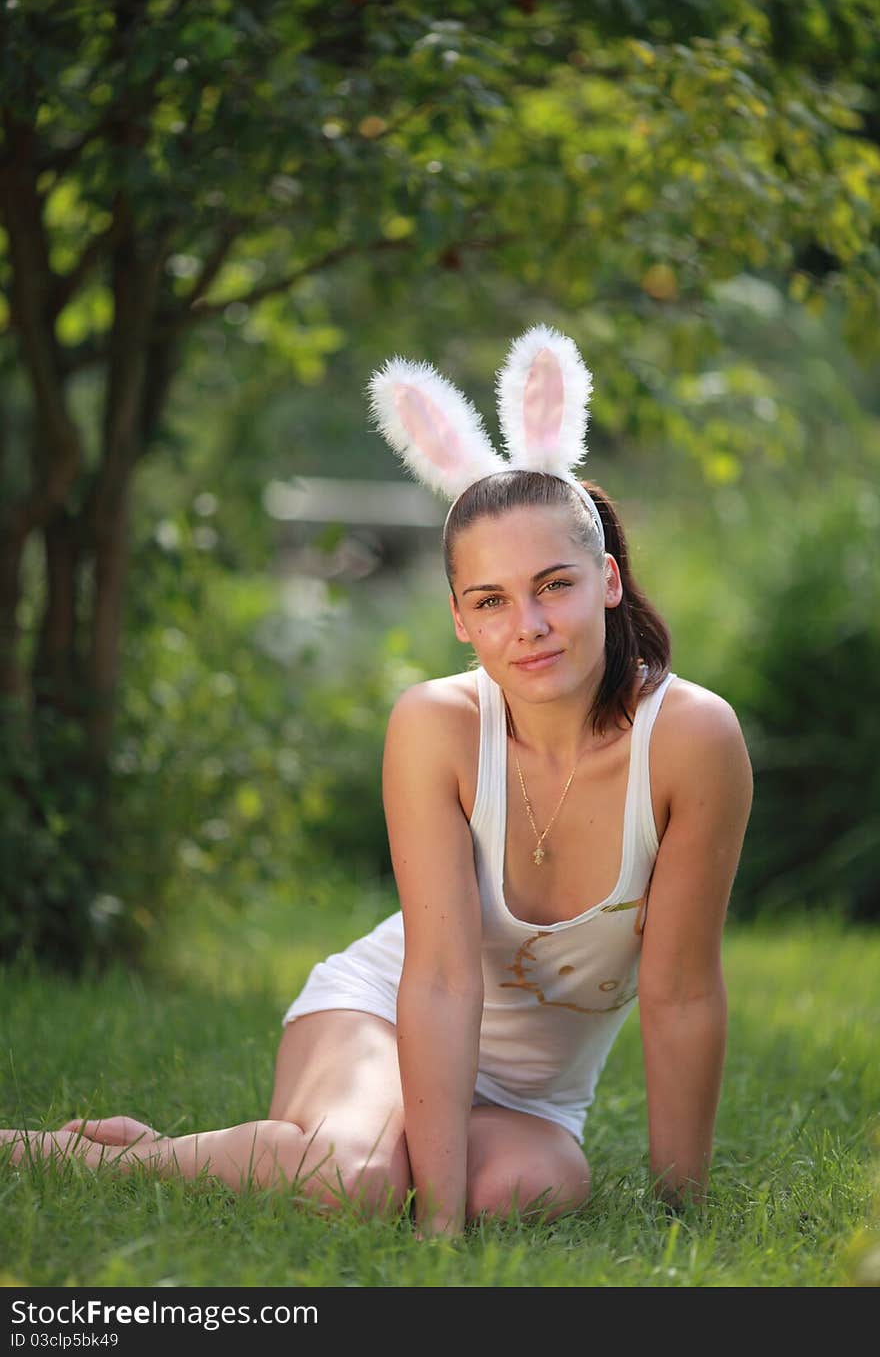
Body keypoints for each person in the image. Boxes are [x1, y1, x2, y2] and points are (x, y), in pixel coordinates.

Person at [2, 326, 753, 1238]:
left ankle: (250, 1151)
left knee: (529, 1190)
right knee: (353, 1180)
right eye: (491, 600)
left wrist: (686, 1214)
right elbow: (439, 981)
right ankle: (70, 1155)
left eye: (554, 585)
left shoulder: (690, 737)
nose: (530, 625)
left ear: (606, 579)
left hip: (527, 1097)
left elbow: (681, 993)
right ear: (459, 620)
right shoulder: (434, 725)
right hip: (382, 1019)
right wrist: (437, 1230)